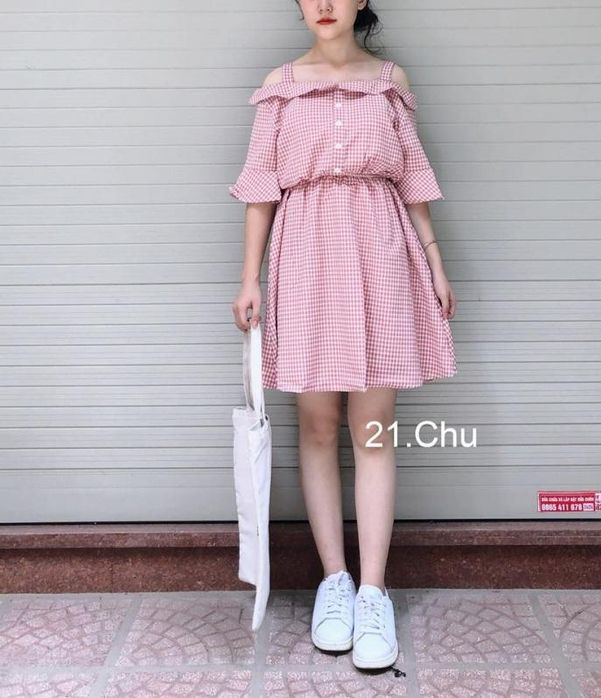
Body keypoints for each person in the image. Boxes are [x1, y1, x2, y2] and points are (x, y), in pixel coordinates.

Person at [229, 0, 457, 672]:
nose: (324, 4)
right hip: (305, 255)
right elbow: (261, 191)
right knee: (318, 425)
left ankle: (375, 592)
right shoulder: (279, 85)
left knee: (375, 429)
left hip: (382, 252)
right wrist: (249, 279)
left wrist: (435, 262)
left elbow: (411, 180)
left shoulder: (390, 80)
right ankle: (335, 581)